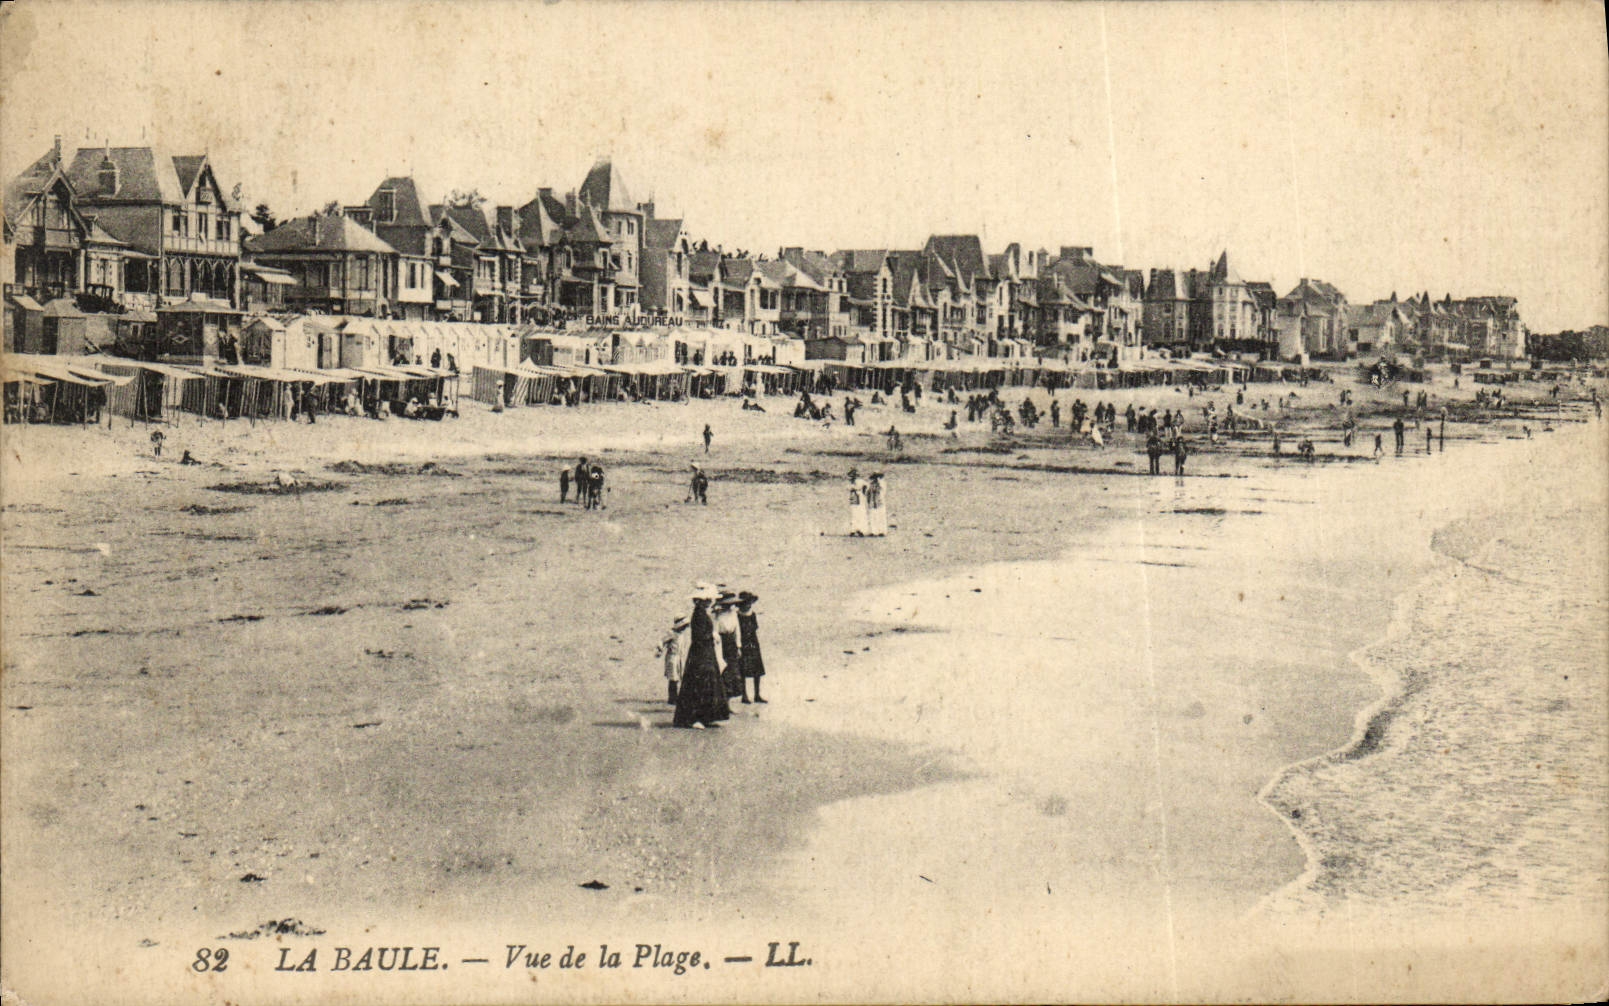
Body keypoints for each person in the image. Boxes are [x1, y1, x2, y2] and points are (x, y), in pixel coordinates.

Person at [673, 592, 729, 728]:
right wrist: (711, 635)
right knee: (700, 682)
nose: (710, 601)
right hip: (700, 652)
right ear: (700, 601)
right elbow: (699, 635)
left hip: (705, 651)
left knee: (707, 681)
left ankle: (705, 717)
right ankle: (695, 718)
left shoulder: (702, 613)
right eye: (707, 599)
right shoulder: (698, 614)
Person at [714, 592, 745, 702]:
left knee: (733, 671)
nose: (728, 606)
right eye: (726, 604)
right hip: (721, 643)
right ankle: (723, 701)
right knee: (723, 670)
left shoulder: (734, 615)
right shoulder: (718, 616)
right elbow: (715, 632)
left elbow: (737, 631)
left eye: (730, 604)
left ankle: (729, 701)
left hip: (731, 643)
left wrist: (738, 646)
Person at [736, 592, 767, 703]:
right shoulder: (737, 615)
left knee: (757, 669)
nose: (748, 605)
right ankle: (744, 695)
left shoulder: (752, 614)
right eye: (746, 603)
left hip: (753, 643)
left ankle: (757, 694)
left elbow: (754, 628)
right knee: (743, 669)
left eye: (749, 603)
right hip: (743, 643)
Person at [657, 615, 689, 704]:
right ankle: (672, 698)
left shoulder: (682, 634)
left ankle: (676, 696)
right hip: (672, 657)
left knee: (678, 676)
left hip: (680, 657)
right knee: (673, 677)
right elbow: (661, 641)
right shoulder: (671, 633)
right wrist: (660, 649)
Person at [847, 469, 869, 537]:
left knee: (860, 513)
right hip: (853, 498)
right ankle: (853, 530)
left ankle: (860, 530)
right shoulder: (851, 483)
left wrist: (864, 492)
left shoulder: (860, 481)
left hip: (859, 498)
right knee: (854, 513)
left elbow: (867, 485)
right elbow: (848, 488)